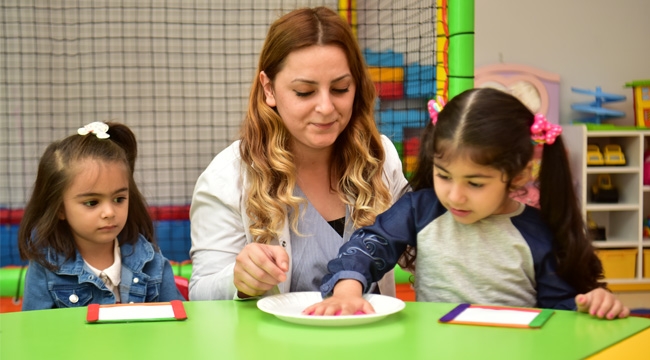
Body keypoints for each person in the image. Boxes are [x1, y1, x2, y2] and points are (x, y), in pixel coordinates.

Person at [304, 88, 630, 319]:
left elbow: (560, 311)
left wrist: (590, 304)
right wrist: (348, 285)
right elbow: (371, 242)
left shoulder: (536, 233)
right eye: (444, 176)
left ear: (518, 176)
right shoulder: (423, 209)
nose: (455, 195)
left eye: (475, 183)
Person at [189, 6, 409, 300]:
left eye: (341, 89)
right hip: (271, 346)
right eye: (305, 92)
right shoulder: (226, 178)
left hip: (368, 341)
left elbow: (422, 249)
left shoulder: (380, 159)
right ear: (269, 89)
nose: (326, 107)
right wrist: (238, 280)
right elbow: (201, 293)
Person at [18, 121, 184, 310]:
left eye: (119, 199)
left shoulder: (150, 260)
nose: (109, 212)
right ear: (60, 209)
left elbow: (178, 321)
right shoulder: (46, 267)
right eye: (92, 203)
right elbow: (37, 332)